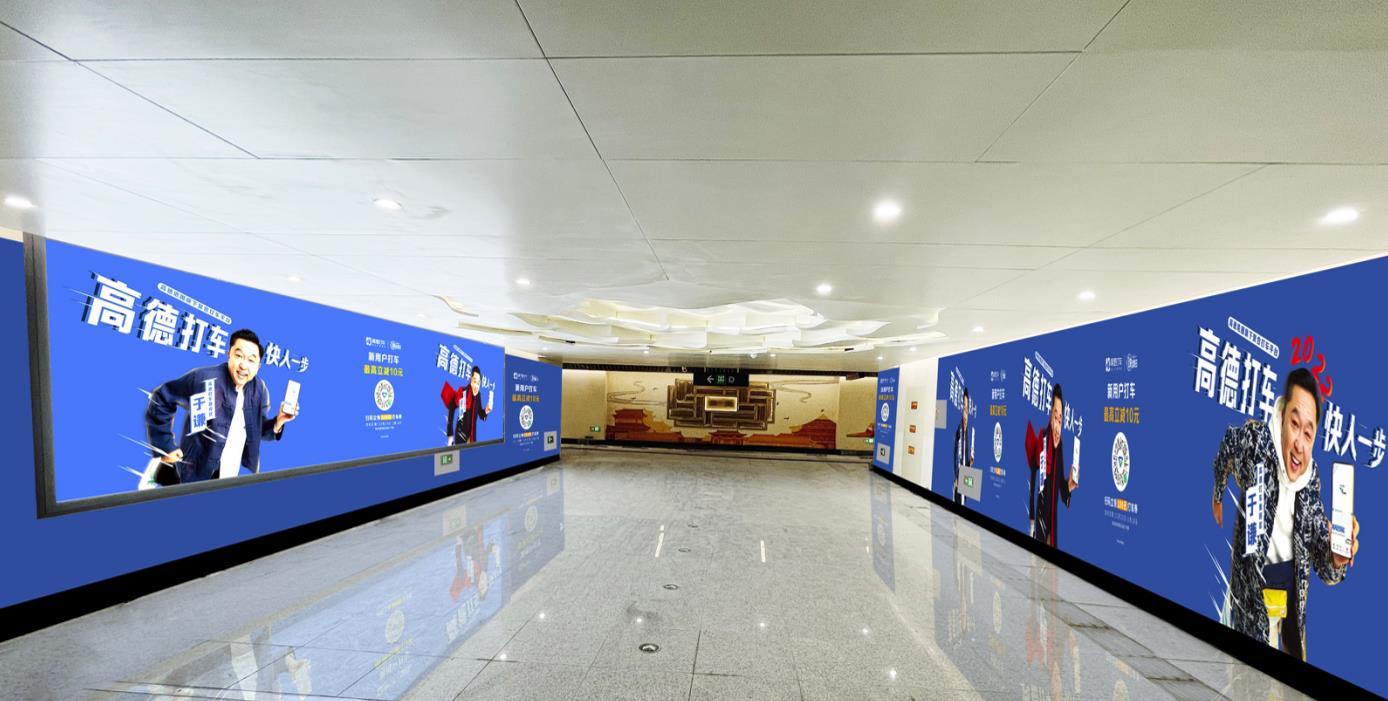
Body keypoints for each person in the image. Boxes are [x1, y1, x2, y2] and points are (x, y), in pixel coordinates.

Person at [1211, 367, 1360, 659]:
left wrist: (1336, 558)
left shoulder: (1311, 482)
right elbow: (1227, 444)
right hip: (1251, 597)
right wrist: (1218, 494)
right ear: (1281, 418)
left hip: (1289, 602)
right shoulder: (1256, 443)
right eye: (1294, 424)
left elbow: (1324, 564)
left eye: (1308, 433)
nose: (1299, 445)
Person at [144, 328, 297, 485]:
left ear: (258, 366)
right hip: (196, 472)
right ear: (229, 354)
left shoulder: (259, 389)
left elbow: (257, 430)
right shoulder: (203, 379)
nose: (244, 365)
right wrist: (166, 446)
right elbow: (161, 398)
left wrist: (278, 422)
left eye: (251, 360)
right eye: (239, 356)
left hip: (233, 474)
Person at [1025, 383, 1078, 547]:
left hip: (1052, 523)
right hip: (1040, 518)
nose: (1058, 426)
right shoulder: (1042, 439)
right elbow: (1034, 481)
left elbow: (1060, 487)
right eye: (1056, 417)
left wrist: (1069, 487)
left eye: (1060, 420)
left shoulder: (1060, 446)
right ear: (1050, 415)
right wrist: (1032, 520)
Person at [448, 365, 493, 445]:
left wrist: (486, 411)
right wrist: (450, 434)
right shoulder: (463, 392)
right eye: (475, 381)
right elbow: (452, 406)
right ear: (470, 379)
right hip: (460, 437)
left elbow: (481, 415)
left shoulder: (478, 395)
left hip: (472, 438)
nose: (476, 386)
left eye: (478, 383)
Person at [953, 388, 973, 505]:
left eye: (967, 408)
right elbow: (954, 453)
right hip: (958, 475)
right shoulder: (958, 430)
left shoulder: (970, 431)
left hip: (967, 474)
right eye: (964, 407)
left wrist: (970, 460)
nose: (966, 411)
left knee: (965, 501)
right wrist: (955, 475)